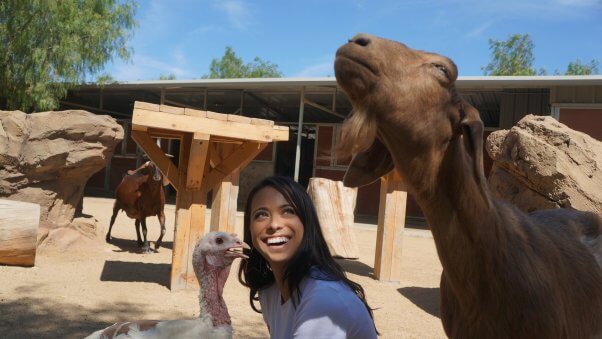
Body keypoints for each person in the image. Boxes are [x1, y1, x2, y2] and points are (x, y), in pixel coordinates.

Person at [238, 176, 378, 338]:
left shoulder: (323, 299)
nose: (274, 224)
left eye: (288, 211)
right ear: (250, 229)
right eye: (261, 214)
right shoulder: (270, 293)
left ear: (307, 222)